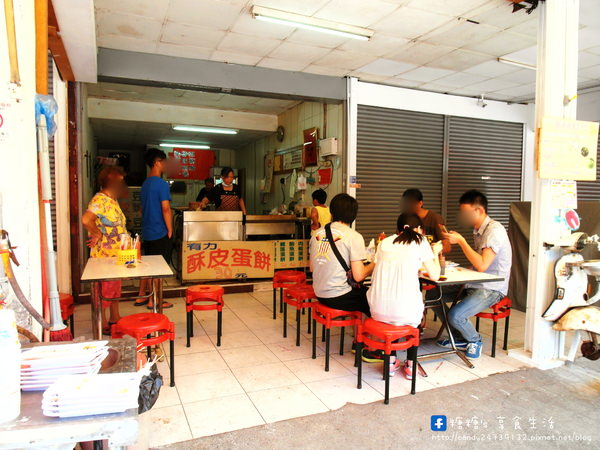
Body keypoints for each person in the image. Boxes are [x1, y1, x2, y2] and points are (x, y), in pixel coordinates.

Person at [438, 190, 512, 359]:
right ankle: (459, 337)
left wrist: (462, 242)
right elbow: (479, 262)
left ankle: (475, 339)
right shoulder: (478, 230)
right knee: (435, 294)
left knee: (456, 315)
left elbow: (482, 265)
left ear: (479, 211)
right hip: (475, 282)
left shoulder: (494, 231)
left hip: (492, 287)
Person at [367, 213, 443, 378]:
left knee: (395, 304)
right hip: (403, 312)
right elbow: (435, 275)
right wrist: (435, 252)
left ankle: (390, 362)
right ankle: (410, 364)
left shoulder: (385, 242)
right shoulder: (420, 241)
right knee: (410, 310)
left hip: (377, 309)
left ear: (398, 228)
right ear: (418, 229)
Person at [310, 193, 374, 317]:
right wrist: (375, 263)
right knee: (376, 299)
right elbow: (359, 276)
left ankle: (361, 331)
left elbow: (312, 267)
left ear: (332, 212)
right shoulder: (354, 236)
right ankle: (370, 334)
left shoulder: (317, 233)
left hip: (319, 293)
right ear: (353, 215)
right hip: (339, 296)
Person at [82, 166, 128, 334]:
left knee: (115, 288)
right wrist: (97, 233)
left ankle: (115, 318)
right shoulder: (99, 199)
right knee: (105, 291)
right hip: (104, 255)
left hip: (117, 254)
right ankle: (100, 325)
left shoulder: (112, 199)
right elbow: (86, 219)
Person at [136, 148, 173, 309]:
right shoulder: (161, 184)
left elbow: (142, 209)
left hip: (148, 231)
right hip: (160, 231)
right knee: (159, 268)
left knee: (150, 266)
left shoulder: (145, 184)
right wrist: (170, 229)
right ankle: (155, 300)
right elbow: (166, 208)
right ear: (157, 162)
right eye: (164, 162)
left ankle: (147, 297)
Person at [401, 189, 451, 253]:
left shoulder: (435, 218)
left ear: (420, 203)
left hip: (431, 261)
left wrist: (434, 250)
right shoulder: (404, 218)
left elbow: (447, 247)